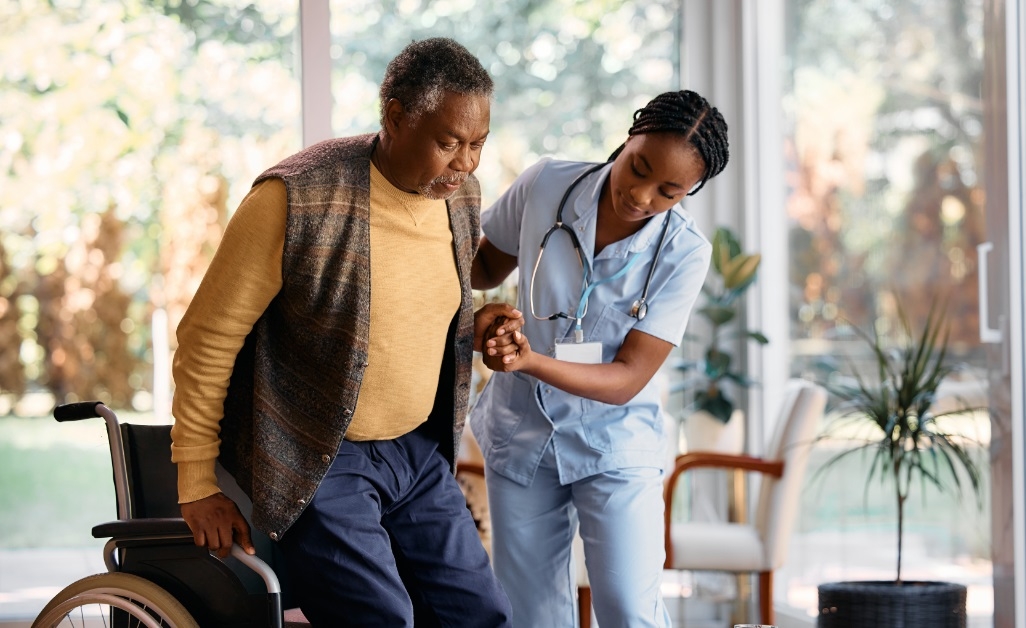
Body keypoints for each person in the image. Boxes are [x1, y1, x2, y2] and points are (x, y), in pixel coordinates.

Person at [169, 37, 518, 627]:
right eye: (449, 143)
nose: (465, 163)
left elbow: (415, 305)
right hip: (321, 455)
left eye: (478, 144)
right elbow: (207, 339)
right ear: (395, 117)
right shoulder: (294, 197)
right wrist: (197, 482)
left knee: (479, 613)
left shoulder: (460, 200)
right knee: (381, 618)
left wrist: (480, 323)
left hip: (418, 450)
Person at [470, 89, 731, 627]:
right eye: (638, 167)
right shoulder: (546, 184)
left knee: (629, 608)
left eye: (669, 191)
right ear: (630, 135)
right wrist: (481, 315)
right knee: (531, 614)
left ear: (691, 191)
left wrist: (529, 360)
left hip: (614, 441)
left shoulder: (684, 252)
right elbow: (479, 269)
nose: (640, 194)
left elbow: (628, 377)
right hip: (523, 433)